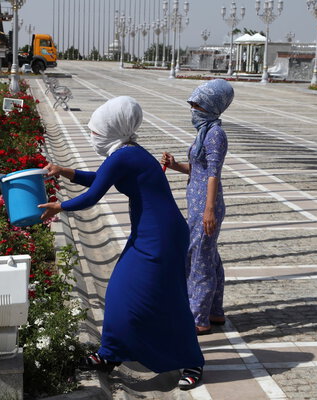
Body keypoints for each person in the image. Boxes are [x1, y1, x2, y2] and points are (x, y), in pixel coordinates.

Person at [38, 96, 205, 390]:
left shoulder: (126, 155)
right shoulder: (128, 152)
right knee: (120, 292)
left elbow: (94, 194)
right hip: (149, 233)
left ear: (115, 128)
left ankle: (192, 361)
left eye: (98, 131)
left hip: (161, 237)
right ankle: (111, 353)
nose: (94, 136)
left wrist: (59, 207)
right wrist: (63, 170)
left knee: (167, 297)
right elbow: (101, 178)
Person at [162, 79, 234, 336]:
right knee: (209, 256)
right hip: (198, 205)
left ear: (212, 106)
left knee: (199, 259)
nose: (193, 109)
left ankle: (199, 318)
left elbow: (213, 174)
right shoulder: (205, 132)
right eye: (192, 103)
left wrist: (209, 210)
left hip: (206, 206)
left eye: (198, 104)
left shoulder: (215, 134)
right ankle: (215, 311)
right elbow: (199, 170)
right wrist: (175, 165)